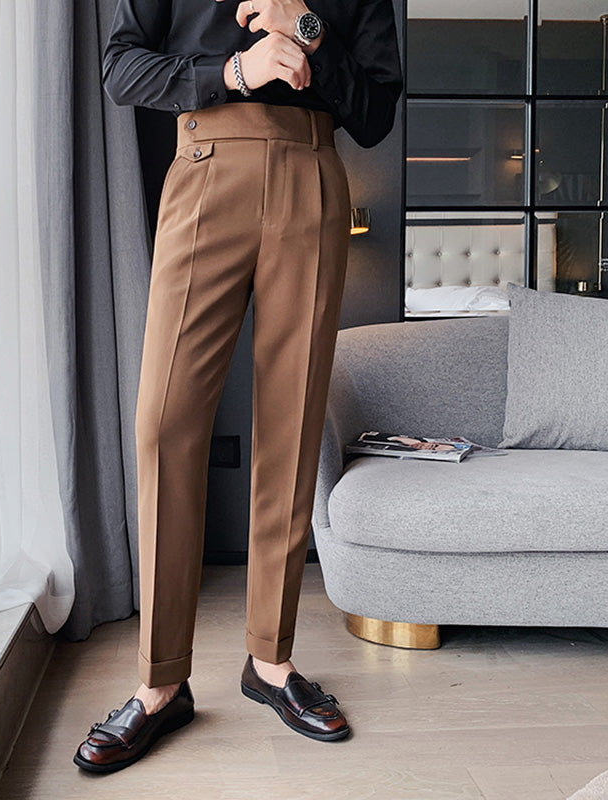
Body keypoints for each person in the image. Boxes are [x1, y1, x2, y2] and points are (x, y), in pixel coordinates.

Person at [74, 0, 402, 773]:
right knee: (163, 421)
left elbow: (378, 110)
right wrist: (231, 70)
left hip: (311, 174)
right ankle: (160, 683)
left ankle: (271, 661)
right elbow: (120, 65)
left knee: (291, 423)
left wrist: (307, 26)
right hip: (203, 167)